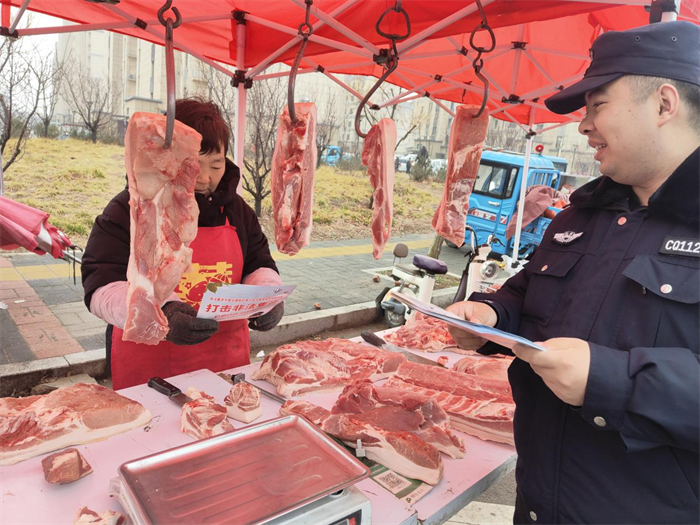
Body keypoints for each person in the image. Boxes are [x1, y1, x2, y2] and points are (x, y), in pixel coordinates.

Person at [447, 21, 700, 524]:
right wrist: (491, 316)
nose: (583, 126)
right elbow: (525, 297)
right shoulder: (578, 217)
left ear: (664, 104)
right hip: (538, 507)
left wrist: (613, 381)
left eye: (597, 105)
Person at [82, 98, 283, 390]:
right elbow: (100, 286)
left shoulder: (237, 211)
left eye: (216, 165)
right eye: (193, 165)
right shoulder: (130, 209)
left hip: (224, 365)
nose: (205, 178)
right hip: (151, 375)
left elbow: (259, 263)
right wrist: (161, 313)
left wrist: (267, 298)